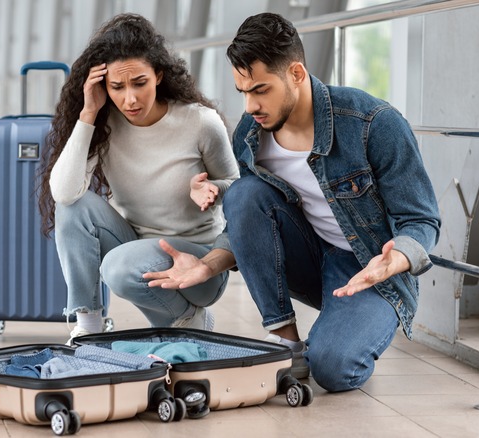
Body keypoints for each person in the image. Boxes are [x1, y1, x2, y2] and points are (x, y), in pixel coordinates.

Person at [143, 13, 441, 392]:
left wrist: (394, 259)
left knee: (333, 370)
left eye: (261, 90)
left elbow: (422, 220)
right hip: (310, 256)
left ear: (296, 74)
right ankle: (286, 344)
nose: (251, 105)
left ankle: (341, 331)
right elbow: (248, 220)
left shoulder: (372, 123)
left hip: (371, 268)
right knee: (244, 192)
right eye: (244, 92)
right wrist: (208, 265)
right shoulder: (252, 135)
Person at [37, 13, 239, 343]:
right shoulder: (105, 124)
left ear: (158, 75)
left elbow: (239, 188)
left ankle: (189, 317)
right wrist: (88, 114)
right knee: (73, 207)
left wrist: (212, 188)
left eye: (139, 83)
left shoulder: (201, 123)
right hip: (133, 245)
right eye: (117, 87)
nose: (129, 99)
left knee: (117, 267)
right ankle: (89, 325)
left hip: (199, 261)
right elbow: (63, 191)